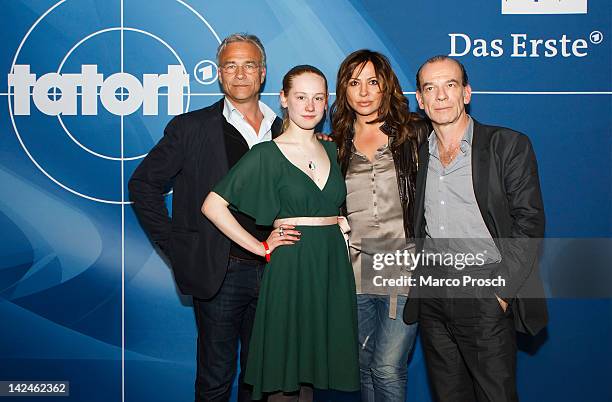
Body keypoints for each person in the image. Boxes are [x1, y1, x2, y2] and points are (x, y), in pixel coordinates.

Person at [129, 33, 283, 402]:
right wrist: (177, 247)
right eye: (231, 65)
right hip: (220, 272)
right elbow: (143, 185)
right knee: (215, 380)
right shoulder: (190, 128)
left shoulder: (287, 129)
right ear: (219, 74)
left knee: (262, 379)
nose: (241, 74)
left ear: (262, 74)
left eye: (249, 65)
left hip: (278, 272)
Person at [202, 65, 359, 401]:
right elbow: (212, 206)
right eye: (301, 97)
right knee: (285, 370)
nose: (310, 105)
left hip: (330, 267)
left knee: (310, 374)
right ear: (284, 99)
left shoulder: (332, 149)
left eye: (318, 98)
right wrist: (260, 247)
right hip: (291, 267)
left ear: (327, 101)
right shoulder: (266, 154)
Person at [403, 55, 547, 402]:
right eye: (430, 88)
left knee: (494, 395)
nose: (440, 96)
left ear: (466, 93)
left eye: (449, 85)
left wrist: (499, 292)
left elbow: (529, 222)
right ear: (420, 100)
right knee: (449, 395)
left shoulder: (507, 144)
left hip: (484, 287)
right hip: (434, 292)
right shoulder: (419, 153)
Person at [330, 49, 429, 402]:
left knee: (387, 367)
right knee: (364, 366)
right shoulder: (335, 146)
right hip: (353, 274)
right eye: (354, 83)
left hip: (403, 271)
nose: (364, 92)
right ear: (344, 90)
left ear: (386, 86)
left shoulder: (414, 134)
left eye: (373, 82)